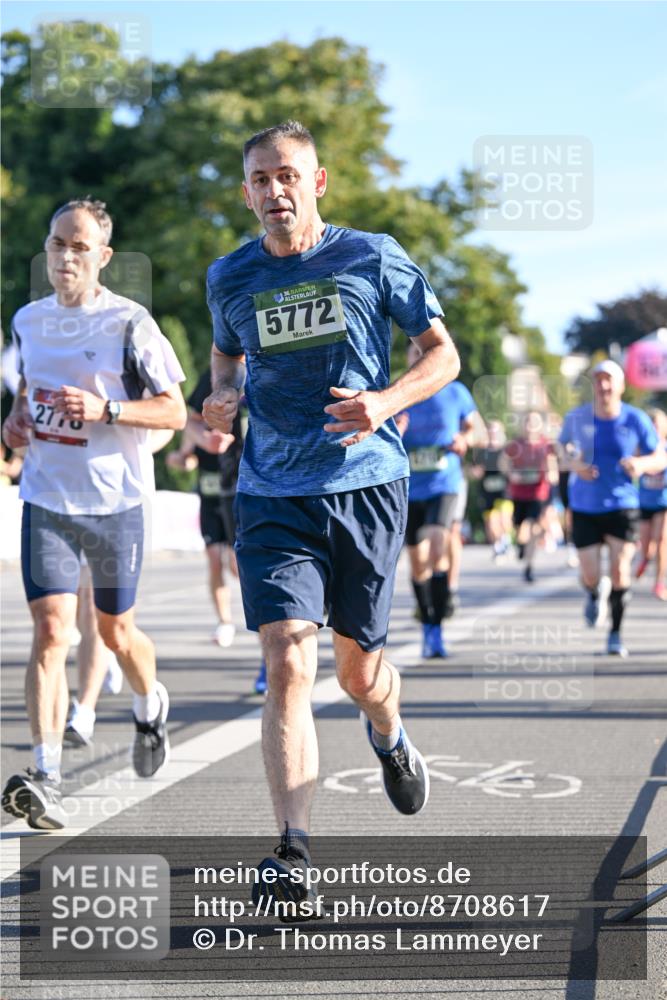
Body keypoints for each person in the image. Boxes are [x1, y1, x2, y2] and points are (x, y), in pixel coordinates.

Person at [202, 120, 460, 913]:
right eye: (258, 179)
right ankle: (292, 851)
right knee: (285, 657)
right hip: (271, 488)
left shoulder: (372, 255)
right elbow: (225, 360)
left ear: (315, 182)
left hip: (364, 486)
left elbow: (442, 355)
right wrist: (220, 397)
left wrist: (382, 402)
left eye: (286, 176)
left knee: (357, 676)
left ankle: (387, 731)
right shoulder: (229, 275)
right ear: (246, 192)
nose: (273, 191)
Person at [1, 198, 186, 830]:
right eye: (58, 244)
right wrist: (17, 421)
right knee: (53, 632)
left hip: (116, 503)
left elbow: (174, 411)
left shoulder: (130, 324)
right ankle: (45, 773)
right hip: (48, 499)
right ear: (46, 249)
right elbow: (25, 393)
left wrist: (105, 411)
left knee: (115, 635)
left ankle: (146, 699)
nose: (66, 257)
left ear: (103, 257)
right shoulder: (27, 321)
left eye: (81, 247)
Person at [65, 428, 176, 746]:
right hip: (61, 498)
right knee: (64, 617)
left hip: (119, 503)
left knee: (105, 622)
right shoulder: (29, 376)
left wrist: (132, 451)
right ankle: (87, 703)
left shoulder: (134, 376)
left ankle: (99, 708)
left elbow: (172, 417)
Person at [167, 372, 268, 693]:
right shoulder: (223, 370)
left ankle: (275, 648)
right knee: (227, 563)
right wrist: (201, 441)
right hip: (230, 488)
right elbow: (186, 419)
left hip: (281, 483)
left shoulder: (293, 355)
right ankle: (236, 629)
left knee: (248, 569)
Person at [559, 360, 662, 656]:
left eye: (609, 380)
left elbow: (660, 457)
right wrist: (574, 464)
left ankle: (615, 634)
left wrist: (641, 464)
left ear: (621, 385)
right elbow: (560, 449)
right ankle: (593, 592)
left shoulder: (635, 419)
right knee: (590, 574)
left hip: (622, 504)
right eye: (598, 380)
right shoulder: (577, 417)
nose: (603, 386)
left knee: (620, 571)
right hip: (584, 505)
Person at [401, 341, 476, 658]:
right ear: (408, 357)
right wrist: (394, 430)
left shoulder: (456, 391)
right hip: (409, 487)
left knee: (438, 542)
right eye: (414, 352)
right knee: (418, 563)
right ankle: (427, 616)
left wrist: (465, 439)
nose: (420, 357)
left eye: (425, 351)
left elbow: (475, 428)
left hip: (445, 483)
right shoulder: (399, 391)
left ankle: (436, 626)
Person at [505, 411, 558, 583]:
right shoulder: (515, 445)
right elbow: (503, 463)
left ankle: (528, 565)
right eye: (528, 421)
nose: (531, 425)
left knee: (532, 526)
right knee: (521, 528)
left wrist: (551, 474)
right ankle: (521, 546)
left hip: (538, 492)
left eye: (534, 421)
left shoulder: (545, 445)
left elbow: (552, 467)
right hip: (519, 493)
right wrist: (512, 473)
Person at [635, 407, 667, 601]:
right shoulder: (639, 449)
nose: (654, 429)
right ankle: (645, 559)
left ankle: (659, 582)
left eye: (658, 425)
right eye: (651, 425)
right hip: (644, 502)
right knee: (648, 547)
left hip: (664, 502)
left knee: (662, 541)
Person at [470, 419, 513, 561]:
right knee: (491, 522)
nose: (493, 434)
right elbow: (475, 470)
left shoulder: (506, 451)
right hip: (487, 491)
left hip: (504, 491)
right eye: (490, 431)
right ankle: (497, 546)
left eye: (495, 431)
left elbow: (512, 469)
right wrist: (475, 472)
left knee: (504, 519)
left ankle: (505, 541)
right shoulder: (481, 452)